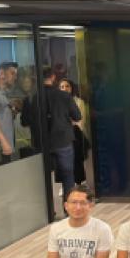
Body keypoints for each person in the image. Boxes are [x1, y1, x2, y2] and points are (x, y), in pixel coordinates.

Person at [47, 185, 113, 258]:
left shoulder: (103, 229)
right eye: (73, 202)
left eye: (83, 203)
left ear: (91, 205)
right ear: (66, 206)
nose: (77, 207)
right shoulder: (56, 228)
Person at [42, 68, 83, 201]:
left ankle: (47, 212)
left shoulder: (32, 97)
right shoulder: (64, 96)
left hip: (41, 143)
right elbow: (77, 116)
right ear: (53, 77)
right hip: (63, 140)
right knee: (68, 176)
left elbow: (25, 121)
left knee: (42, 178)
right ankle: (68, 208)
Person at [58, 79, 90, 186]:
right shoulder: (57, 103)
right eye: (62, 87)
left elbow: (79, 121)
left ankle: (79, 182)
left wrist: (67, 121)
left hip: (75, 134)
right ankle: (66, 184)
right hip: (62, 136)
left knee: (76, 161)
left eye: (67, 86)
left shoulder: (78, 102)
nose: (64, 89)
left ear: (72, 88)